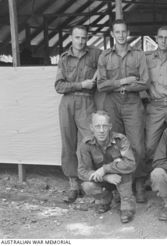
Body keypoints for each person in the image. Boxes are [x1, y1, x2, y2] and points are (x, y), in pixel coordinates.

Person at [97, 19, 150, 203]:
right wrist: (124, 81)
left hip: (132, 102)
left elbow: (145, 82)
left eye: (123, 32)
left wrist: (125, 88)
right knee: (115, 146)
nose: (120, 35)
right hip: (112, 102)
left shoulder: (138, 55)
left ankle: (139, 183)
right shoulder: (105, 56)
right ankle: (121, 186)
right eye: (117, 32)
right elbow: (101, 84)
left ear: (128, 33)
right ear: (112, 34)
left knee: (137, 146)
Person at [55, 25, 101, 203]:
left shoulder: (96, 54)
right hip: (67, 102)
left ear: (88, 38)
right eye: (77, 38)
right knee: (68, 143)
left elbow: (107, 62)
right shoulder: (64, 58)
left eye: (84, 37)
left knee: (88, 142)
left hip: (87, 102)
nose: (81, 41)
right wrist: (82, 84)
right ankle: (73, 184)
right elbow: (59, 86)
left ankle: (89, 182)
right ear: (71, 38)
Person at [77, 111, 136, 223]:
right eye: (97, 126)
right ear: (91, 128)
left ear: (110, 126)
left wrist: (105, 169)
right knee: (88, 186)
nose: (101, 130)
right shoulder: (86, 144)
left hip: (121, 179)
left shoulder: (120, 140)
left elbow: (131, 164)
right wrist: (105, 177)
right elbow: (82, 171)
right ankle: (105, 199)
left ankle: (127, 204)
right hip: (102, 181)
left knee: (125, 169)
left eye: (104, 126)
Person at [144, 25, 167, 175]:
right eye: (161, 37)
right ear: (156, 39)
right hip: (154, 107)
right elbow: (139, 79)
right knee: (150, 145)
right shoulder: (146, 58)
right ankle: (149, 176)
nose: (163, 40)